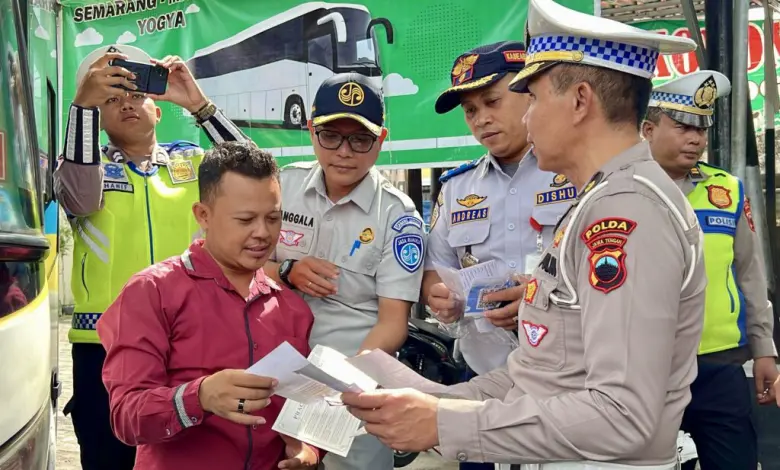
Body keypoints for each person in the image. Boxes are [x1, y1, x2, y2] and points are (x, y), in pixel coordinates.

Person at [341, 0, 707, 469]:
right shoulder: (597, 201)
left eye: (530, 98)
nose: (526, 118)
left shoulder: (627, 214)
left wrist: (444, 422)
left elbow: (623, 416)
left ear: (579, 101)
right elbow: (542, 372)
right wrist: (432, 400)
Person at [56, 44, 249, 470]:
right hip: (103, 347)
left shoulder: (193, 162)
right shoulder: (84, 166)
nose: (126, 103)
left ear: (158, 110)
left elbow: (255, 177)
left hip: (192, 342)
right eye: (110, 99)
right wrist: (80, 108)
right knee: (109, 459)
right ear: (97, 119)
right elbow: (82, 198)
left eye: (137, 95)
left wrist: (199, 105)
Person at [97, 141, 320, 470]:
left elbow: (304, 414)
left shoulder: (292, 309)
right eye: (245, 220)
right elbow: (127, 416)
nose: (263, 233)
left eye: (273, 218)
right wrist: (199, 397)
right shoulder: (152, 291)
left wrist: (309, 453)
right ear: (203, 215)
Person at [263, 72, 426, 470]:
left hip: (351, 392)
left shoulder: (397, 215)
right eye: (330, 136)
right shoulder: (283, 185)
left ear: (381, 139)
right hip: (271, 379)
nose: (344, 152)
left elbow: (392, 323)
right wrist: (286, 270)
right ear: (311, 131)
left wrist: (337, 388)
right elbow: (241, 267)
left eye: (360, 139)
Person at [424, 41, 575, 470]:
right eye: (470, 111)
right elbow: (439, 266)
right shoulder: (456, 187)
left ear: (529, 93)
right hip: (483, 381)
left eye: (491, 101)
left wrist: (535, 299)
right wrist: (442, 297)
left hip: (563, 384)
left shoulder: (573, 171)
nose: (481, 119)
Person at [642, 70, 778, 470]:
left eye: (702, 128)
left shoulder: (728, 191)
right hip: (646, 369)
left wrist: (765, 350)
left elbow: (751, 275)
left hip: (721, 365)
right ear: (647, 130)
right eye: (683, 126)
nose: (696, 138)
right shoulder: (618, 191)